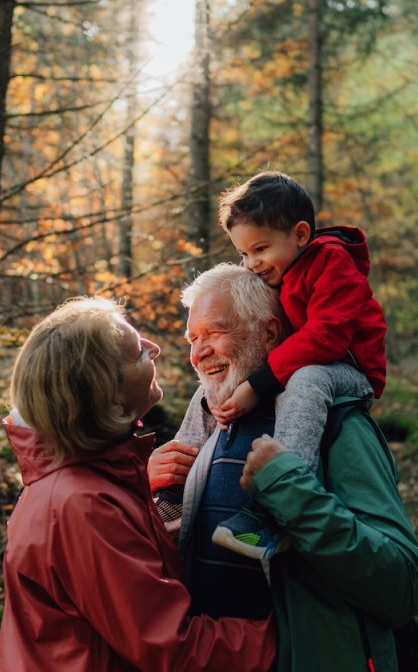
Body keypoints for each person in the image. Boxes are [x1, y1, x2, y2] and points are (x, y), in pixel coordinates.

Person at [151, 264, 418, 671]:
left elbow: (402, 587)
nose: (198, 352)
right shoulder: (206, 427)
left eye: (214, 332)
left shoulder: (338, 426)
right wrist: (145, 490)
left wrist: (294, 496)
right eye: (193, 339)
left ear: (269, 333)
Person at [0, 297, 276, 672]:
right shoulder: (81, 506)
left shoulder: (89, 483)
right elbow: (170, 647)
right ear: (110, 397)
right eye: (139, 352)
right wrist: (291, 638)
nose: (155, 348)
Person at [165, 170, 388, 559]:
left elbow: (327, 337)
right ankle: (180, 496)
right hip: (311, 366)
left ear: (300, 235)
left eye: (260, 249)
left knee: (304, 381)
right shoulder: (283, 269)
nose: (252, 263)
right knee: (215, 391)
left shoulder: (332, 265)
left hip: (347, 369)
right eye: (244, 253)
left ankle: (281, 494)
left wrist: (260, 383)